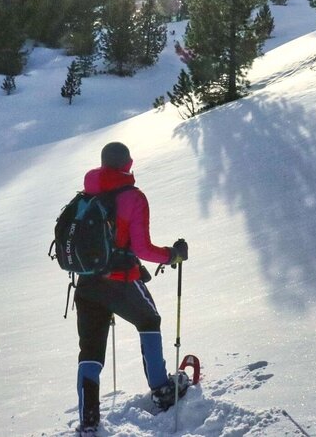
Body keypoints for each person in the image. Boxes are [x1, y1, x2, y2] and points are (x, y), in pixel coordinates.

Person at [74, 142, 189, 436]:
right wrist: (172, 255)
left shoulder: (88, 194)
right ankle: (162, 388)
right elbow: (142, 248)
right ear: (127, 164)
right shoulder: (133, 197)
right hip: (120, 280)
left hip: (86, 283)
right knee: (149, 320)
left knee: (90, 351)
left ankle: (88, 420)